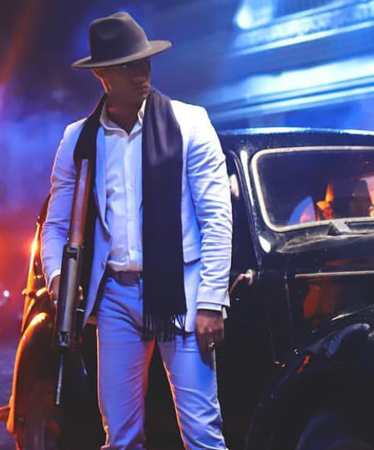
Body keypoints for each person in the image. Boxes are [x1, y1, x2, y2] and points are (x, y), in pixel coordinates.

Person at [41, 11, 232, 450]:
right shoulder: (78, 139)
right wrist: (58, 277)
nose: (142, 73)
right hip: (114, 297)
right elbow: (56, 223)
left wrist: (210, 301)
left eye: (144, 62)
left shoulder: (190, 123)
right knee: (121, 437)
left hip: (180, 292)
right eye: (128, 66)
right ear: (103, 75)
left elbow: (217, 218)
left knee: (202, 433)